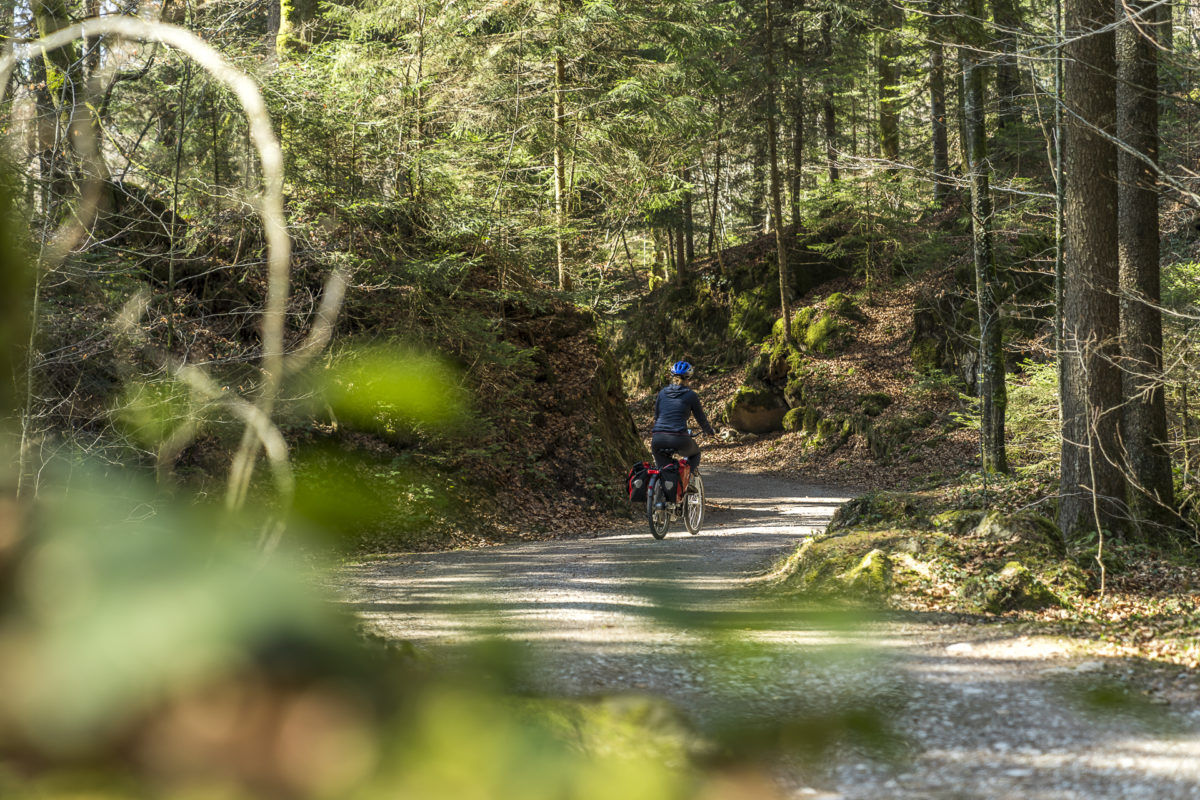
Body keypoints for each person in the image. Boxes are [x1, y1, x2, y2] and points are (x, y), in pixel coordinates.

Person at [650, 361, 715, 470]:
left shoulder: (662, 393)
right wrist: (710, 432)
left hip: (657, 439)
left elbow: (657, 416)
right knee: (695, 454)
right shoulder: (691, 395)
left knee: (664, 471)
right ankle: (687, 481)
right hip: (679, 438)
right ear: (688, 379)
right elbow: (701, 418)